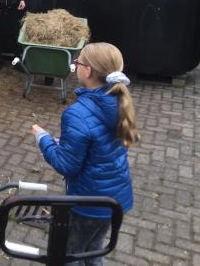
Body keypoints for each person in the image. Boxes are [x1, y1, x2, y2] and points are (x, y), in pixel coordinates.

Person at [30, 42, 139, 265]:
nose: (75, 65)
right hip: (114, 199)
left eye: (77, 62)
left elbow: (66, 165)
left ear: (87, 70)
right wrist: (67, 142)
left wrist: (44, 139)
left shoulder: (77, 113)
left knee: (68, 254)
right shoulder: (119, 100)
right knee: (93, 251)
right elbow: (99, 144)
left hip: (88, 204)